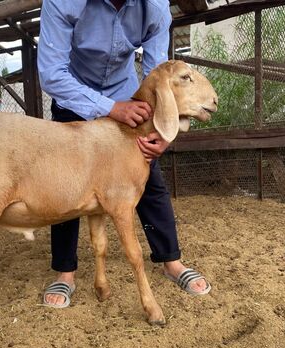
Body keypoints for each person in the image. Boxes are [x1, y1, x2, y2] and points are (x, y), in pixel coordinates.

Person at [37, 0, 211, 307]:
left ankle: (171, 260)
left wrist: (162, 132)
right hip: (75, 96)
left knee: (147, 174)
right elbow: (51, 74)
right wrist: (109, 108)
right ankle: (65, 272)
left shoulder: (154, 6)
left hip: (126, 94)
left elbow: (160, 75)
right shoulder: (63, 2)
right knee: (67, 182)